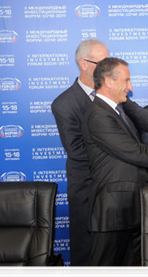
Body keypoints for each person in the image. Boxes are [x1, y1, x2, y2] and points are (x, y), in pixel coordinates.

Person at [52, 40, 148, 273]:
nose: (130, 87)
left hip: (124, 200)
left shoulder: (115, 104)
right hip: (106, 200)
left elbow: (141, 123)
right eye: (127, 81)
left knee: (125, 267)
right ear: (108, 81)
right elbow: (132, 151)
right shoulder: (97, 114)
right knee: (102, 266)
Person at [51, 39, 109, 273]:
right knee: (86, 255)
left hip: (114, 190)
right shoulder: (64, 103)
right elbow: (76, 149)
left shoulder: (111, 95)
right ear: (83, 64)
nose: (108, 68)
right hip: (87, 190)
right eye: (102, 63)